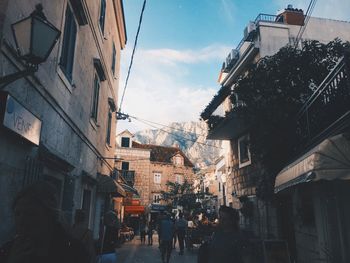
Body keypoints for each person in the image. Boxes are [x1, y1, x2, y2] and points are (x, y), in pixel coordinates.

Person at [0, 181, 88, 263]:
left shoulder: (73, 251)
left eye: (30, 213)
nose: (21, 220)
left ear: (49, 216)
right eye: (17, 213)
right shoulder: (8, 250)